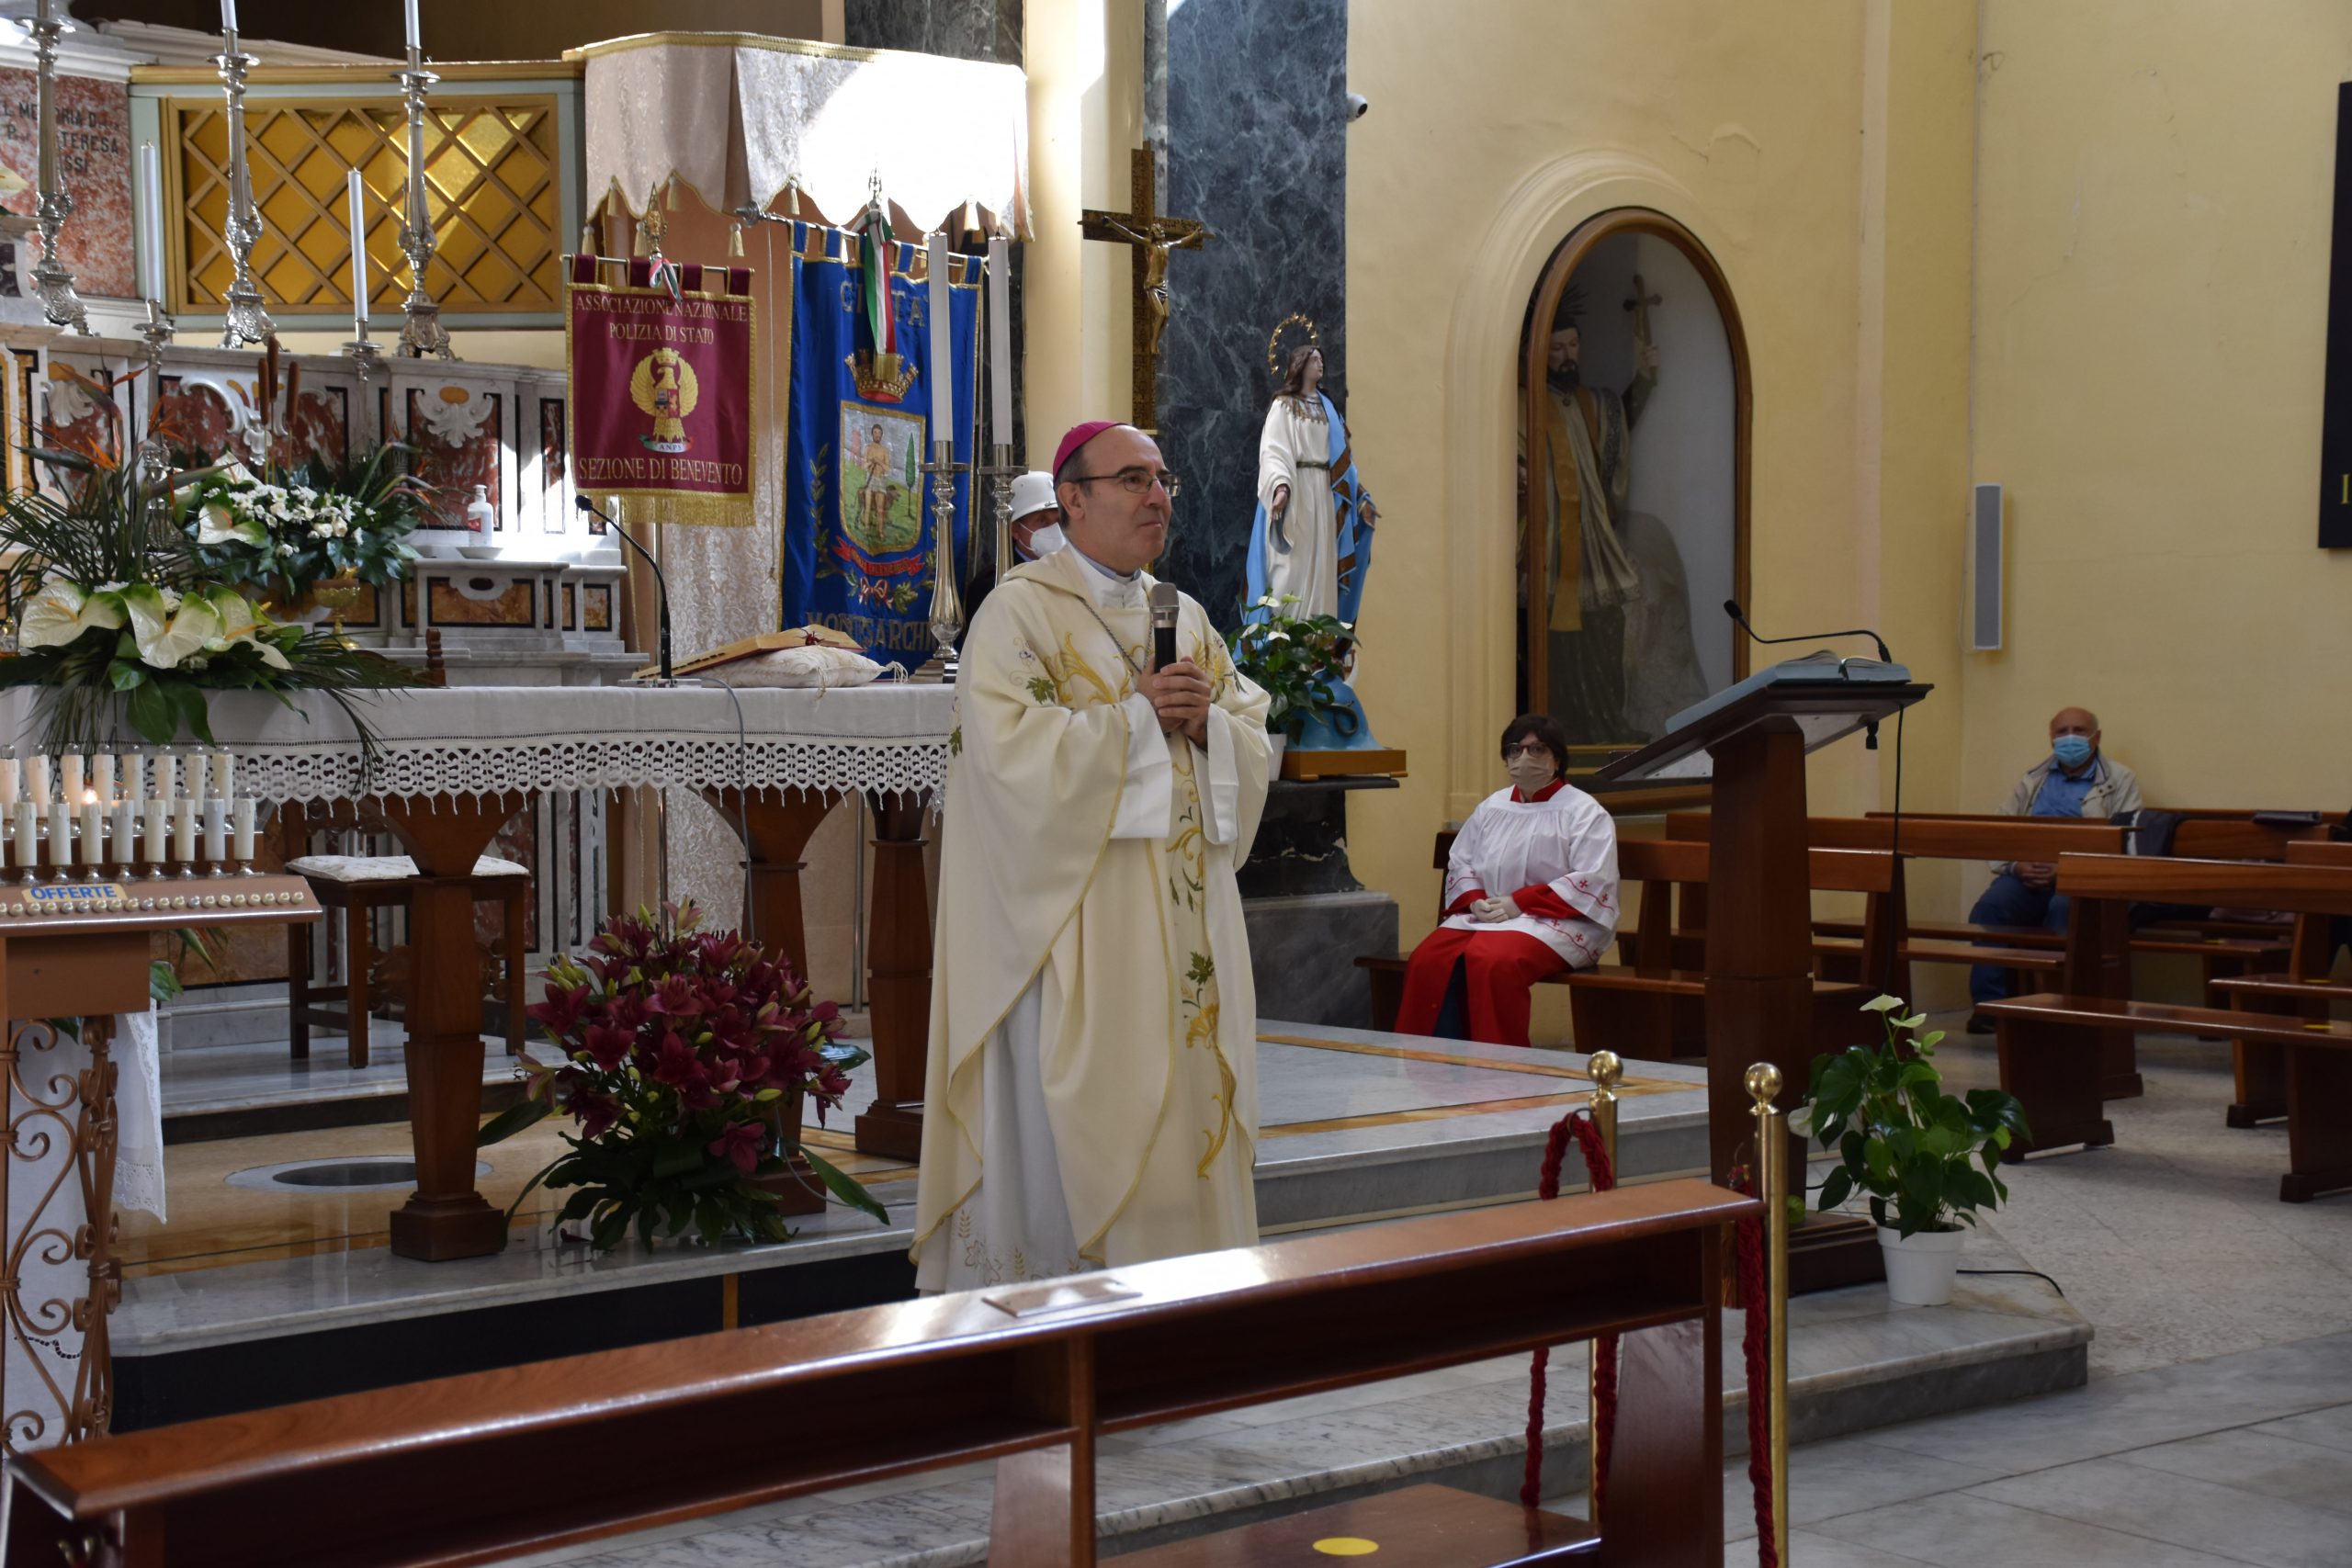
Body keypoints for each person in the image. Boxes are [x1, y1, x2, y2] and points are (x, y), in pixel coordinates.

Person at [913, 421, 1273, 1292]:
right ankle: (1062, 1313)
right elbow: (1008, 762)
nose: (1157, 497)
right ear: (1071, 500)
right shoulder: (1018, 612)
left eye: (1163, 479)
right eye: (1132, 480)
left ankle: (1189, 1301)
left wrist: (1206, 727)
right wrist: (1138, 719)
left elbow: (1250, 733)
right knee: (1079, 1119)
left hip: (1182, 928)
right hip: (1075, 928)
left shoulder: (1181, 613)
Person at [1394, 714, 1620, 1047]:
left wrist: (1521, 902)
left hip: (1558, 919)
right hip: (1489, 914)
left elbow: (1591, 878)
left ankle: (1500, 1067)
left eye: (1536, 750)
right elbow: (1461, 859)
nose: (1523, 759)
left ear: (1557, 759)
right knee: (1428, 960)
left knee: (1493, 961)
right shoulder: (1492, 807)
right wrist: (1474, 899)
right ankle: (1431, 1065)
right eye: (1515, 750)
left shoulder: (1584, 812)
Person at [1966, 705, 2143, 1023]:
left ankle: (2063, 1009)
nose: (2070, 738)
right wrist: (2017, 866)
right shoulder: (2033, 779)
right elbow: (2000, 832)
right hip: (2027, 876)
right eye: (2062, 732)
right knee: (1990, 909)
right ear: (2051, 738)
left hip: (2082, 880)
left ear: (2096, 737)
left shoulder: (2120, 779)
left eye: (2079, 730)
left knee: (2066, 911)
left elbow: (2127, 843)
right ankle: (1989, 1008)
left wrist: (2067, 871)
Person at [1245, 345, 1377, 624]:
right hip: (1296, 492)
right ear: (1300, 365)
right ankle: (1284, 638)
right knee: (1291, 567)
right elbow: (1273, 450)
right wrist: (1280, 488)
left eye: (1321, 360)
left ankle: (1318, 644)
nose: (1320, 364)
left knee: (1323, 568)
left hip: (1324, 495)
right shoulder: (1283, 405)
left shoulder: (1328, 408)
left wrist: (1361, 497)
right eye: (1314, 360)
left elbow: (1343, 462)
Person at [962, 470, 1066, 623]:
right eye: (1042, 521)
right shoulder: (991, 583)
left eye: (1059, 520)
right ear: (1015, 530)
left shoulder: (1076, 571)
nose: (1055, 528)